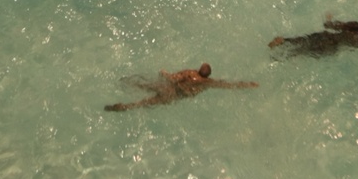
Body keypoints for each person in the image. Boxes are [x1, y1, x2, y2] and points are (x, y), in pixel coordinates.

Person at [104, 63, 257, 111]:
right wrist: (247, 85)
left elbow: (171, 78)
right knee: (143, 104)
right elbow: (227, 85)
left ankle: (125, 82)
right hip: (173, 96)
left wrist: (164, 73)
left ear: (198, 69)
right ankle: (122, 107)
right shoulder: (208, 83)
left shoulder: (189, 73)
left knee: (146, 85)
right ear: (208, 76)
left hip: (167, 87)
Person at [269, 16, 358, 58]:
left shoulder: (353, 26)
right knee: (305, 51)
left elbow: (334, 26)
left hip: (328, 37)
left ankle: (284, 41)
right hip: (331, 47)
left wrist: (329, 21)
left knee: (305, 40)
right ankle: (281, 57)